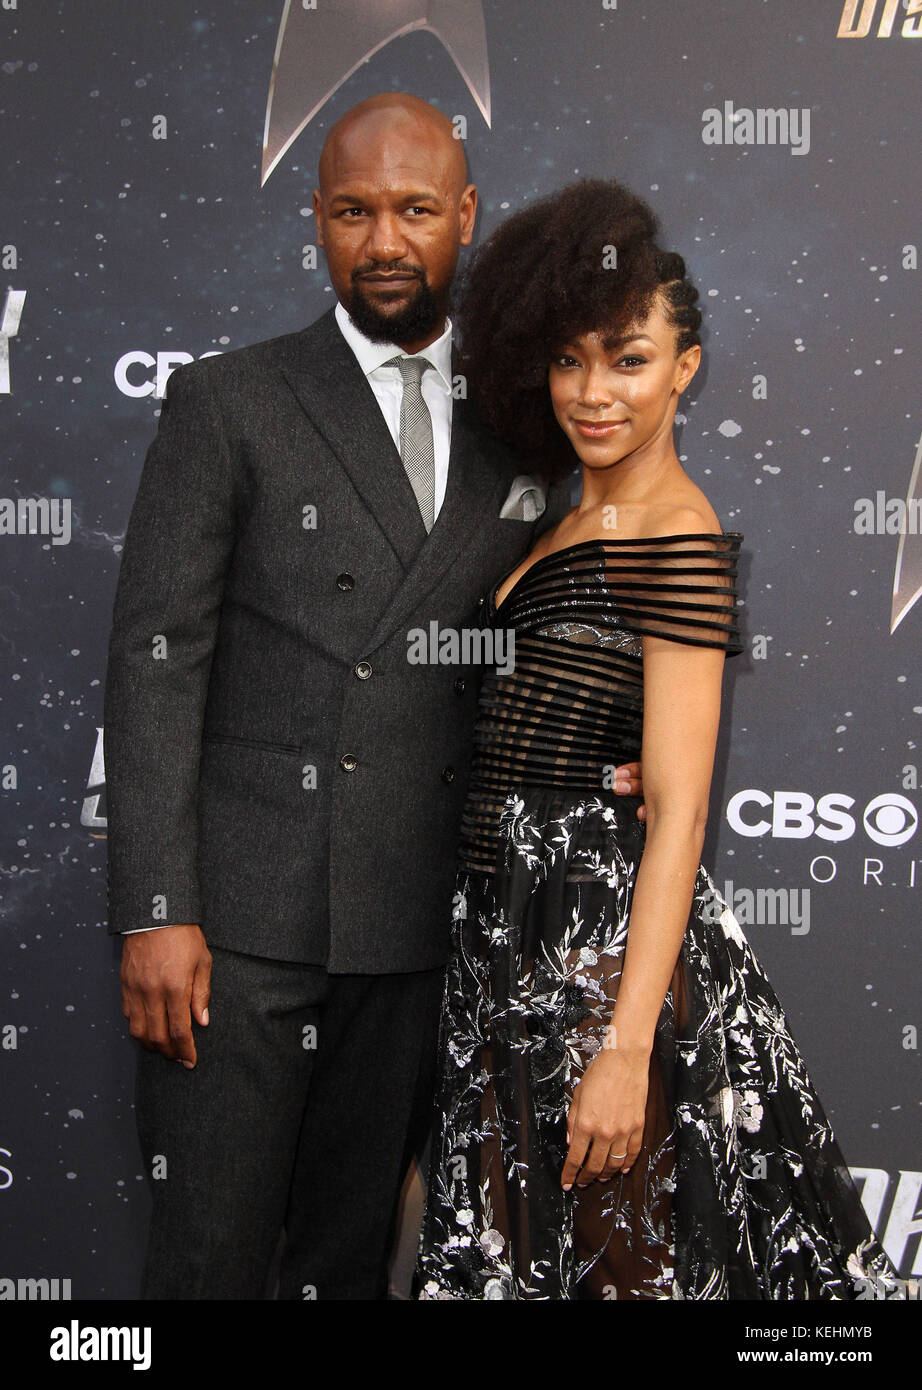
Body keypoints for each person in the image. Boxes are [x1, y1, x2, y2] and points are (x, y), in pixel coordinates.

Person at [103, 94, 646, 1300]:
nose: (384, 241)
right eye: (353, 211)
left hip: (414, 928)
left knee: (346, 1267)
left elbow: (550, 635)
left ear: (464, 217)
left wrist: (624, 747)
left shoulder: (527, 428)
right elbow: (154, 661)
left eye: (412, 210)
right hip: (232, 936)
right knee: (205, 1261)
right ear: (315, 221)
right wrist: (154, 906)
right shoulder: (228, 401)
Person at [416, 179, 902, 1300]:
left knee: (617, 1267)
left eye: (629, 361)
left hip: (593, 952)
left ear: (685, 369)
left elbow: (680, 808)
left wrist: (627, 1047)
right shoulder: (565, 513)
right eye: (572, 360)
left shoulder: (677, 534)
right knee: (531, 1260)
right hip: (506, 934)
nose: (595, 394)